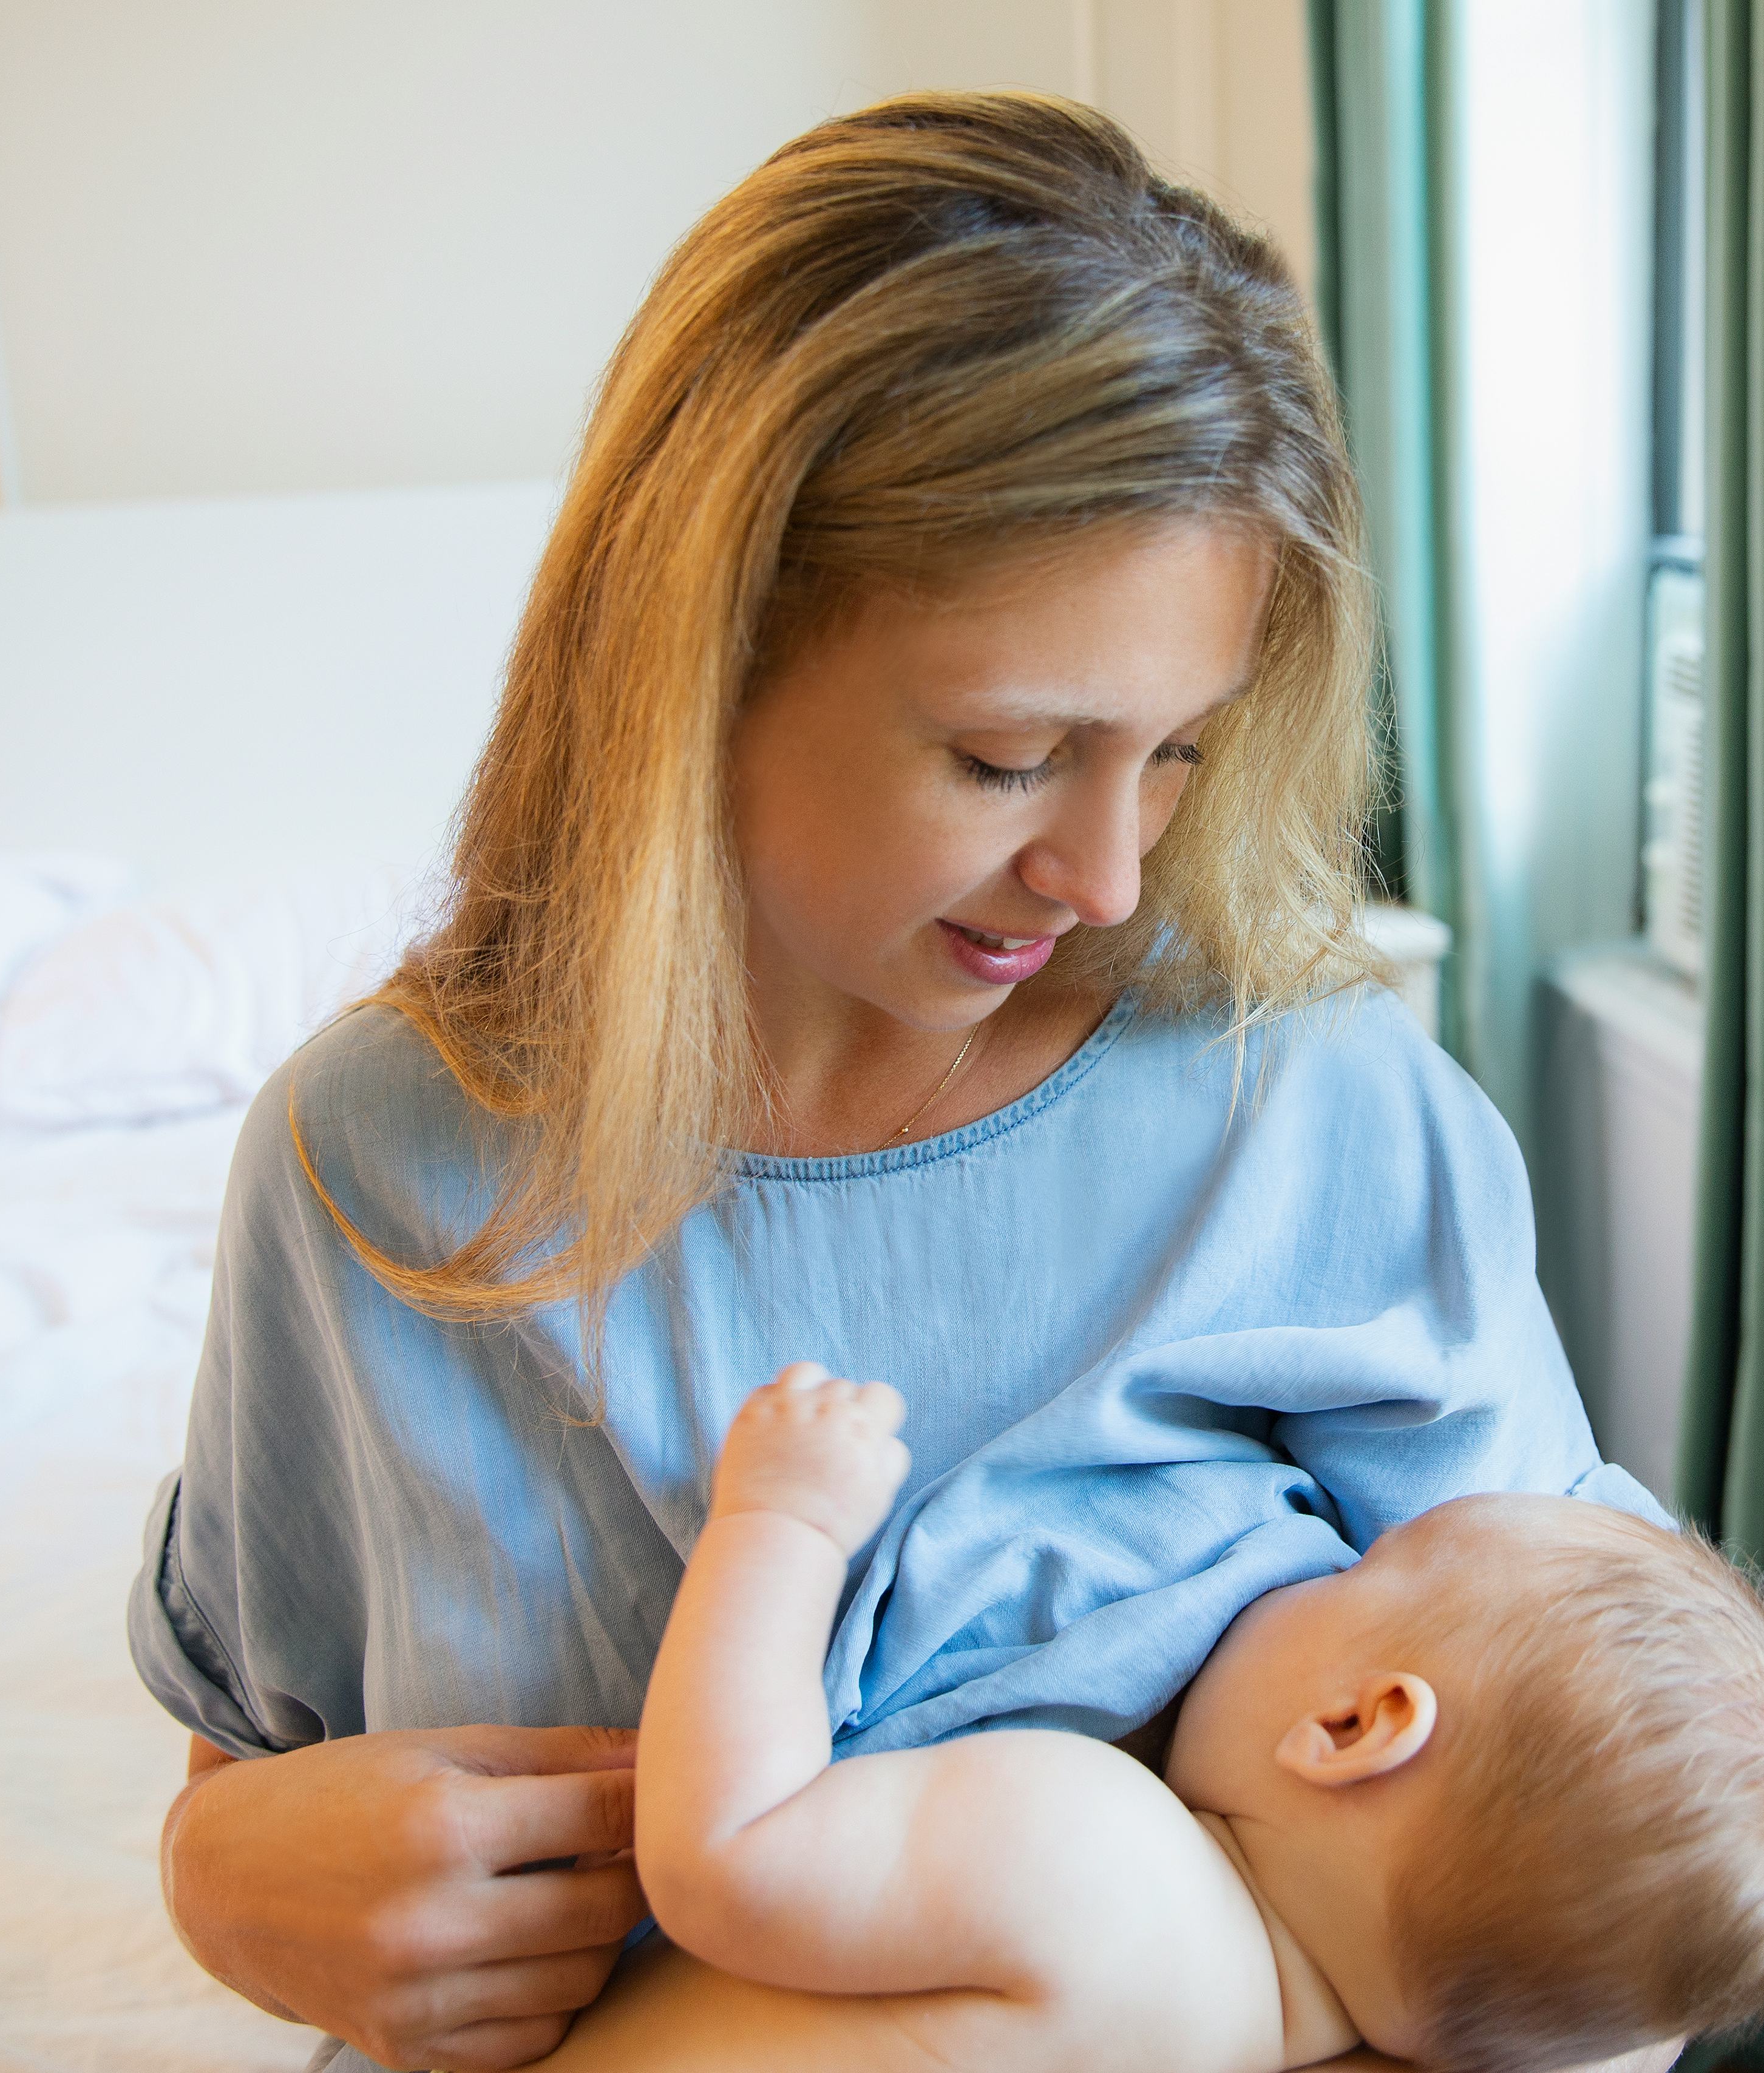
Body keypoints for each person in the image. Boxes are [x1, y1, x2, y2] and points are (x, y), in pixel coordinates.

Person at [132, 91, 1665, 2073]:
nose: (1108, 876)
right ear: (696, 660)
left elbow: (1603, 1912)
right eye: (1008, 757)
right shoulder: (371, 1169)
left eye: (1177, 752)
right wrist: (219, 1880)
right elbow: (250, 1767)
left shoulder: (1310, 1108)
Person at [529, 1365, 1764, 2073]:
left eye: (1356, 1569)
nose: (1303, 1558)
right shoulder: (1228, 2031)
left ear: (1354, 1727)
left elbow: (725, 1854)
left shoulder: (1106, 1858)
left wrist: (782, 1519)